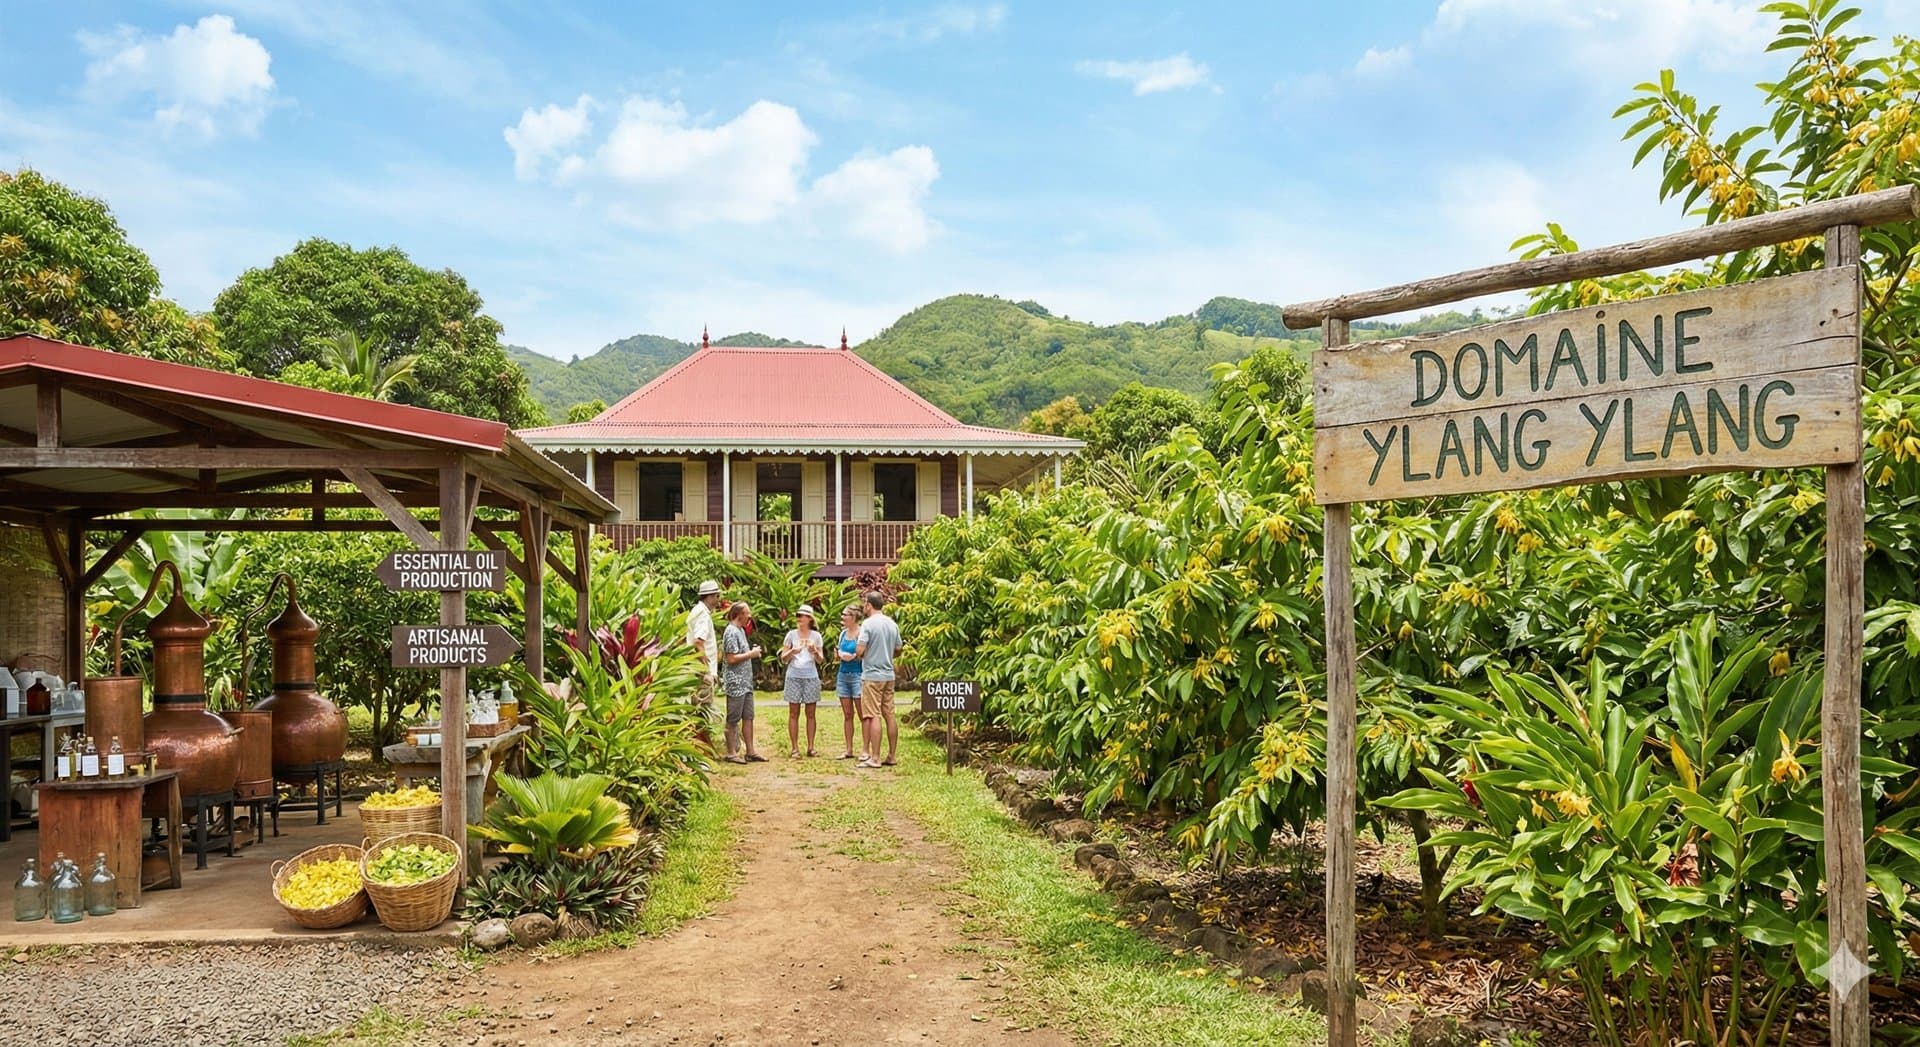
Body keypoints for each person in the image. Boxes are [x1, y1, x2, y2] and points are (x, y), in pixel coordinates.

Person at [854, 590, 902, 768]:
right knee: (889, 714)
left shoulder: (867, 624)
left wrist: (865, 653)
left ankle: (875, 757)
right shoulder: (892, 624)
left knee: (874, 715)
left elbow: (859, 651)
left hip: (872, 675)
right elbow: (898, 649)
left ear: (869, 604)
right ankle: (892, 755)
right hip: (888, 674)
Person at [720, 601, 767, 764]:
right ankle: (731, 752)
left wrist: (751, 653)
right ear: (739, 614)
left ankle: (750, 751)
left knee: (748, 716)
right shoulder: (731, 632)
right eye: (747, 613)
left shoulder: (740, 631)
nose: (749, 615)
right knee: (733, 718)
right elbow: (731, 658)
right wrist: (751, 654)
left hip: (746, 682)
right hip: (735, 682)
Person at [780, 604, 824, 757]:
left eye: (802, 616)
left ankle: (811, 747)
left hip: (811, 676)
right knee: (793, 713)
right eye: (798, 615)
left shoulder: (816, 636)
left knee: (811, 713)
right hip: (793, 675)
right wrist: (793, 651)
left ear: (809, 619)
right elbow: (783, 659)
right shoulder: (791, 635)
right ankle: (794, 748)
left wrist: (814, 651)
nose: (799, 618)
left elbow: (820, 660)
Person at [686, 580, 723, 739]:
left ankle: (700, 744)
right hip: (701, 671)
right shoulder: (702, 614)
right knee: (702, 708)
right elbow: (698, 642)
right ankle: (701, 746)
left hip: (696, 667)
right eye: (716, 596)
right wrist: (706, 670)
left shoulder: (697, 611)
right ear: (709, 597)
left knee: (698, 707)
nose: (718, 599)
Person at [833, 605, 865, 760]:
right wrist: (839, 654)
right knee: (847, 714)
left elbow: (864, 654)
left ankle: (866, 749)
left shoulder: (861, 633)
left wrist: (853, 656)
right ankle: (849, 749)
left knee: (862, 714)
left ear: (853, 617)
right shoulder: (843, 634)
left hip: (858, 675)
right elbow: (838, 650)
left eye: (844, 615)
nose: (842, 618)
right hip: (843, 675)